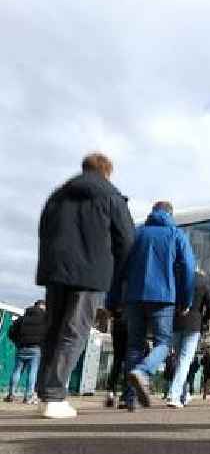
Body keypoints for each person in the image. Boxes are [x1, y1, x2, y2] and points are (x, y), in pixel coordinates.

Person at [35, 153, 135, 418]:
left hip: (56, 270)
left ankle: (44, 393)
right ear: (107, 172)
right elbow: (126, 240)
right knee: (75, 330)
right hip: (90, 271)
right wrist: (119, 275)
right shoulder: (111, 196)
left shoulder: (58, 195)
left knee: (53, 328)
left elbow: (43, 229)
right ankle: (55, 396)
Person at [121, 201, 196, 411]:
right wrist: (186, 300)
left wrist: (113, 299)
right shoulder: (176, 234)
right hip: (164, 297)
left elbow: (120, 267)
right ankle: (143, 371)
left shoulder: (136, 233)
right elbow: (189, 268)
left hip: (135, 296)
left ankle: (129, 397)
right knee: (163, 343)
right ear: (171, 214)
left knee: (134, 345)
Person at [167, 270, 210, 408]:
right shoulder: (202, 282)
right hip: (194, 323)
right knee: (184, 360)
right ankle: (174, 395)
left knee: (177, 359)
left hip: (176, 322)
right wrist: (204, 319)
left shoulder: (176, 277)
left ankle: (182, 394)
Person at [5, 300, 48, 404]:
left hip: (21, 347)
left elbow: (11, 332)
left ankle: (11, 395)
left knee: (17, 371)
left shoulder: (22, 318)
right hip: (35, 349)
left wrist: (17, 342)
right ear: (42, 307)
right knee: (32, 372)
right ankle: (28, 397)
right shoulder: (45, 320)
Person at [104, 304, 128, 408]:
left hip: (118, 322)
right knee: (130, 360)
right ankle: (124, 396)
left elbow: (109, 303)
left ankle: (111, 391)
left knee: (117, 359)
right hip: (133, 320)